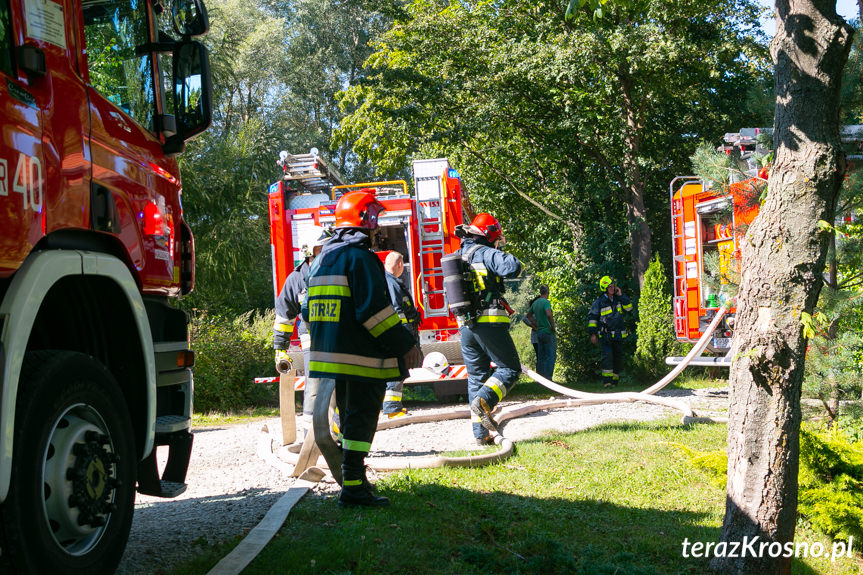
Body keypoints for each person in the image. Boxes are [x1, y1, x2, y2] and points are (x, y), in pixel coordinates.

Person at [302, 190, 422, 507]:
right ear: (365, 221)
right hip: (361, 359)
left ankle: (354, 482)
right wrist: (406, 344)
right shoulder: (361, 259)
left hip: (329, 359)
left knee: (348, 418)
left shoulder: (320, 261)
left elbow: (305, 311)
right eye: (375, 221)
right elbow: (375, 314)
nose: (377, 229)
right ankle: (353, 488)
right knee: (360, 421)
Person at [454, 213, 523, 445]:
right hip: (489, 321)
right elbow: (512, 267)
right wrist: (504, 254)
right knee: (510, 369)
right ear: (490, 234)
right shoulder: (486, 253)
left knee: (476, 378)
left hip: (465, 326)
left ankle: (481, 434)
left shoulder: (459, 255)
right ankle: (484, 401)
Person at [273, 226, 332, 439]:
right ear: (308, 252)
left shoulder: (337, 273)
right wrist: (280, 348)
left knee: (343, 387)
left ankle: (342, 436)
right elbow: (283, 317)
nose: (326, 252)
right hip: (313, 341)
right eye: (320, 249)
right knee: (314, 386)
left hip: (339, 340)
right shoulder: (297, 280)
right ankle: (311, 436)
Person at [382, 251, 421, 418]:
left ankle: (392, 406)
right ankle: (392, 408)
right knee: (397, 367)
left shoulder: (389, 281)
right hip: (398, 334)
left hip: (392, 333)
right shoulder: (391, 283)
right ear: (399, 265)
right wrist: (406, 334)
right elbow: (398, 310)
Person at [587, 275, 634, 388]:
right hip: (606, 335)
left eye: (613, 286)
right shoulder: (599, 302)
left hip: (618, 335)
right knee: (607, 358)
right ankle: (607, 382)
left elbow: (629, 308)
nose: (613, 288)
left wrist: (621, 295)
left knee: (618, 358)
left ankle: (615, 381)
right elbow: (592, 319)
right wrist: (593, 334)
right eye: (610, 287)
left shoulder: (619, 299)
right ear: (605, 288)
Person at [526, 285, 556, 380]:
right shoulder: (546, 302)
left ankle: (540, 379)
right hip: (547, 331)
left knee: (541, 356)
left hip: (539, 332)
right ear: (547, 293)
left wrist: (536, 324)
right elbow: (549, 314)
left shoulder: (535, 303)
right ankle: (548, 378)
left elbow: (528, 315)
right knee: (550, 356)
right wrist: (552, 326)